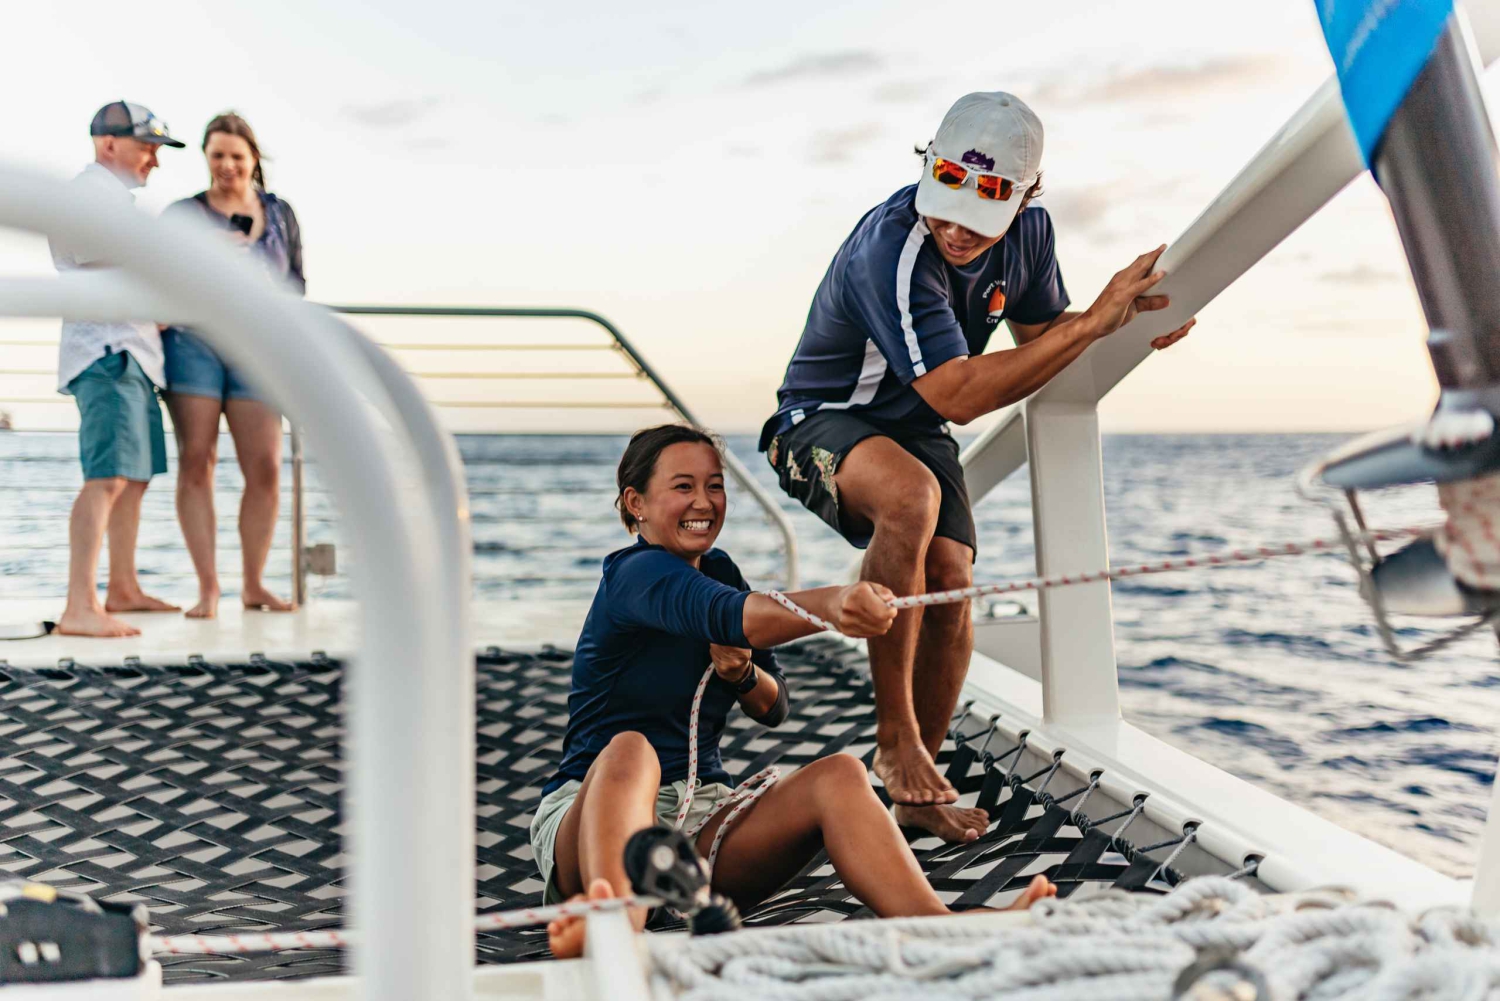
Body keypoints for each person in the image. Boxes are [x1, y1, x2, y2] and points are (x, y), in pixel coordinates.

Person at [758, 92, 1196, 842]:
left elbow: (1040, 333)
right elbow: (959, 397)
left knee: (953, 581)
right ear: (928, 167)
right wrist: (1093, 325)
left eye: (981, 214)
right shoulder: (890, 249)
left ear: (1026, 195)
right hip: (817, 419)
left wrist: (1124, 329)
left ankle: (916, 793)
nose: (957, 231)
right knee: (911, 497)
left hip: (915, 424)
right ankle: (895, 737)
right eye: (945, 206)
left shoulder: (1031, 232)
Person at [532, 425, 1056, 959]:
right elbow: (732, 615)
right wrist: (833, 605)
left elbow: (774, 705)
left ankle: (938, 926)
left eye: (715, 486)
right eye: (683, 486)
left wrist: (741, 674)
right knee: (630, 749)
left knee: (841, 774)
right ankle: (614, 939)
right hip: (595, 820)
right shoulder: (633, 574)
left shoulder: (720, 570)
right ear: (636, 503)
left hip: (700, 825)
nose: (704, 502)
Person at [161, 112, 305, 618]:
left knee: (265, 467)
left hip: (259, 349)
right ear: (205, 157)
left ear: (254, 159)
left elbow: (296, 284)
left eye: (236, 156)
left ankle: (254, 584)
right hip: (193, 342)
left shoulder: (280, 214)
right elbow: (156, 277)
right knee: (197, 461)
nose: (227, 165)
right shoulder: (183, 214)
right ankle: (208, 588)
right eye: (217, 155)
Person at [52, 101, 187, 638]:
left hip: (135, 352)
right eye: (147, 145)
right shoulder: (87, 194)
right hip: (107, 351)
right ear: (109, 143)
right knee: (106, 478)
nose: (155, 158)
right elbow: (92, 252)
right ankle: (79, 606)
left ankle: (123, 588)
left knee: (133, 479)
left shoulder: (116, 203)